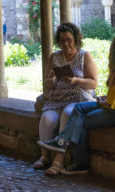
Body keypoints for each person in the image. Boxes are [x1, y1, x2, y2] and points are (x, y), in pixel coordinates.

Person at [38, 32, 115, 175]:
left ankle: (81, 163)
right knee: (79, 108)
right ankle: (61, 144)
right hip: (109, 105)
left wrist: (104, 102)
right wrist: (104, 99)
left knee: (79, 120)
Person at [33, 22, 98, 171]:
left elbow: (93, 83)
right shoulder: (54, 57)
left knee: (68, 114)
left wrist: (76, 81)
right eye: (62, 40)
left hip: (78, 98)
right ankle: (44, 156)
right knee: (47, 118)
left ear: (76, 39)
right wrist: (51, 80)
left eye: (69, 39)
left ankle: (59, 159)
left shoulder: (84, 56)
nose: (65, 43)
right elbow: (48, 85)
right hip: (57, 99)